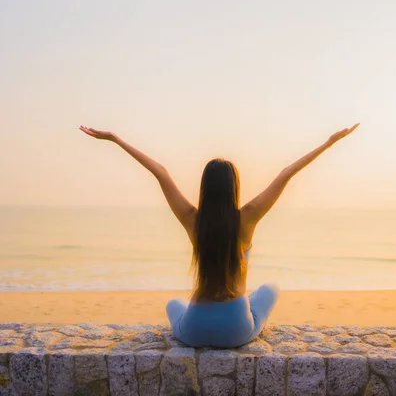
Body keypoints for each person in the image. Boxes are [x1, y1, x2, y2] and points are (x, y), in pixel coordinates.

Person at [79, 122, 360, 347]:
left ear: (204, 188)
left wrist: (116, 139)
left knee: (172, 303)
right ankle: (244, 313)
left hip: (194, 330)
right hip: (236, 330)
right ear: (233, 188)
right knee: (269, 289)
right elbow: (286, 174)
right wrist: (329, 142)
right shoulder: (247, 218)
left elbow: (161, 174)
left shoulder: (193, 220)